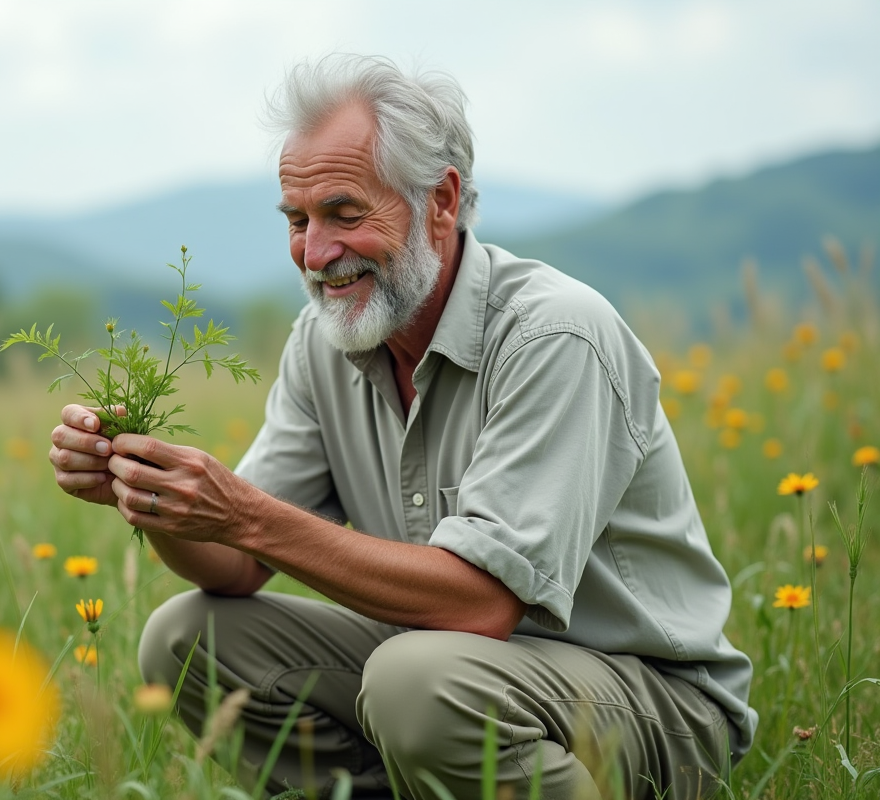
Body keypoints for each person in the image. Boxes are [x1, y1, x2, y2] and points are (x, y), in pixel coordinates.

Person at [49, 55, 757, 800]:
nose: (316, 254)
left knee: (413, 681)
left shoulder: (555, 335)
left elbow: (480, 603)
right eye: (298, 220)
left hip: (652, 707)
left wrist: (243, 513)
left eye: (345, 213)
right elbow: (236, 564)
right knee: (185, 638)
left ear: (441, 202)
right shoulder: (324, 342)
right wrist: (151, 494)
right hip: (450, 679)